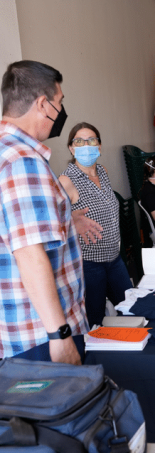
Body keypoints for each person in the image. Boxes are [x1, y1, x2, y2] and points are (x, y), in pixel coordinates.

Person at [0, 60, 89, 364]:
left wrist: (65, 220)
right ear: (42, 104)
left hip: (18, 331)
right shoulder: (23, 160)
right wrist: (60, 336)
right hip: (42, 334)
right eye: (59, 102)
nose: (61, 112)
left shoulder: (4, 150)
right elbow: (29, 253)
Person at [58, 122, 133, 327]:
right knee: (94, 322)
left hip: (115, 260)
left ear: (99, 147)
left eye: (91, 140)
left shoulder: (103, 171)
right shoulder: (66, 181)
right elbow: (53, 223)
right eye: (79, 141)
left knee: (132, 310)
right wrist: (71, 220)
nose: (86, 145)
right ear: (71, 148)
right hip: (89, 265)